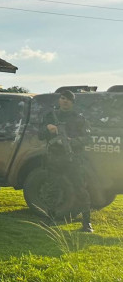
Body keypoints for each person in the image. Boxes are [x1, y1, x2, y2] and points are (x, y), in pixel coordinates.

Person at [39, 90, 93, 232]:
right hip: (55, 158)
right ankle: (50, 219)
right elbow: (40, 135)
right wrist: (47, 129)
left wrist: (72, 141)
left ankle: (87, 223)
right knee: (52, 189)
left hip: (74, 159)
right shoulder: (50, 116)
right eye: (63, 98)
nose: (65, 101)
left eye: (68, 99)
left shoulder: (79, 118)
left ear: (72, 102)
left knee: (81, 190)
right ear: (59, 100)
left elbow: (88, 138)